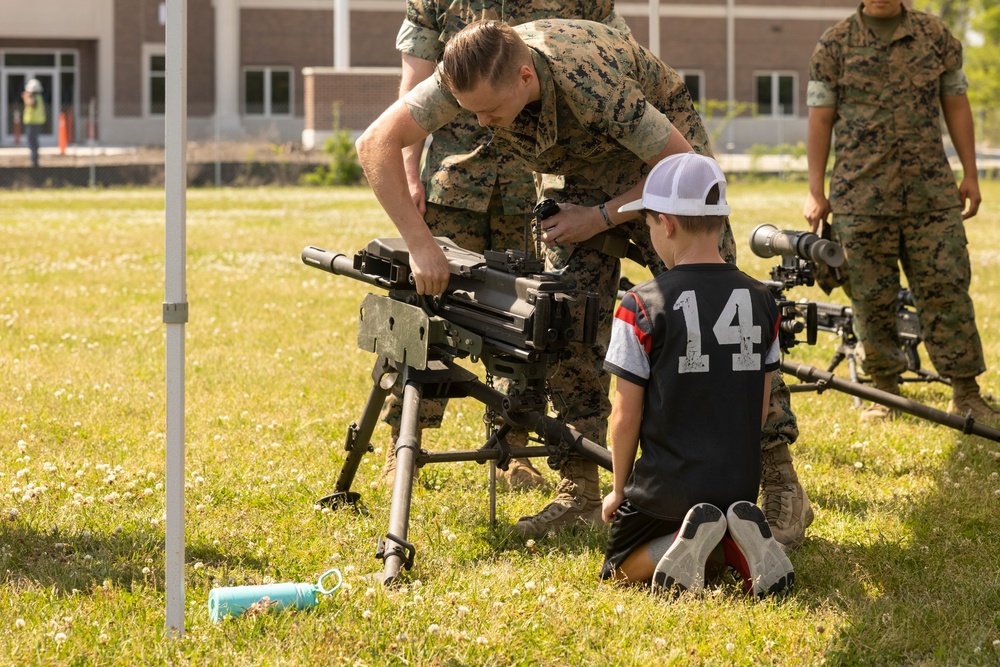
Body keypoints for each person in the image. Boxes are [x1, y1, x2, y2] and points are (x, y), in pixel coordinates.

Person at [356, 18, 812, 547]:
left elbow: (681, 161)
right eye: (470, 112)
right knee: (564, 317)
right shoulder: (473, 73)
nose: (480, 124)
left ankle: (780, 479)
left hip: (662, 165)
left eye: (489, 112)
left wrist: (599, 216)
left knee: (716, 310)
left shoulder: (588, 81)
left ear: (526, 76)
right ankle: (581, 485)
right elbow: (375, 144)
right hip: (578, 175)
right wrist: (420, 243)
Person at [381, 1, 634, 492]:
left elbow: (617, 56)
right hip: (454, 182)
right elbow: (414, 82)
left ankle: (512, 445)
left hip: (541, 187)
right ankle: (402, 439)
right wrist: (410, 171)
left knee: (530, 320)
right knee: (421, 308)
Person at [599, 153, 793, 596]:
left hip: (668, 489)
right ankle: (732, 539)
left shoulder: (639, 304)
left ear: (666, 224)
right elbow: (761, 408)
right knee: (717, 518)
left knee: (617, 571)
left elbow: (624, 416)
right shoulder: (764, 300)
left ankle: (692, 541)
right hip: (739, 484)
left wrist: (618, 490)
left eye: (647, 225)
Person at [803, 0, 998, 424]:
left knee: (947, 288)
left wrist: (971, 173)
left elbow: (957, 103)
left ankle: (966, 392)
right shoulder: (834, 44)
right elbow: (820, 120)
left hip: (931, 193)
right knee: (871, 297)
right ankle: (884, 392)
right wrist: (815, 192)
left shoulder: (935, 36)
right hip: (861, 196)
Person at [22, 79, 47, 168]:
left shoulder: (34, 97)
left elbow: (31, 104)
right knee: (33, 141)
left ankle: (34, 160)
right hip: (34, 122)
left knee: (32, 142)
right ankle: (34, 159)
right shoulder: (39, 97)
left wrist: (25, 97)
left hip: (33, 123)